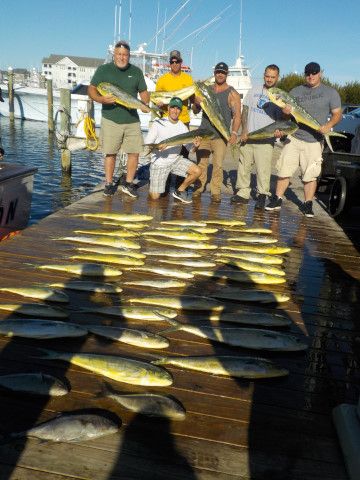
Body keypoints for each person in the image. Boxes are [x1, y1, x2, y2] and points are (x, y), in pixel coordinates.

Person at [266, 62, 342, 217]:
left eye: (314, 73)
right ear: (305, 74)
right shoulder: (295, 91)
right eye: (308, 73)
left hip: (314, 140)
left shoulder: (331, 92)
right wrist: (285, 111)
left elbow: (337, 114)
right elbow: (286, 116)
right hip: (294, 137)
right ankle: (277, 198)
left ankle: (308, 204)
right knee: (284, 171)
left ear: (320, 73)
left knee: (310, 175)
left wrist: (328, 125)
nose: (311, 76)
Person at [88, 40, 150, 198]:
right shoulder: (103, 70)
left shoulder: (136, 71)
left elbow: (144, 93)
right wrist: (101, 100)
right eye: (119, 54)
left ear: (129, 56)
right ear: (114, 55)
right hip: (111, 119)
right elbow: (92, 89)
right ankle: (109, 184)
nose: (122, 57)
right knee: (110, 153)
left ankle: (128, 183)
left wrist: (145, 102)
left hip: (132, 120)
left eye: (125, 55)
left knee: (134, 152)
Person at [231, 64, 283, 209]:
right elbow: (245, 110)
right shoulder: (253, 90)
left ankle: (262, 194)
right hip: (249, 137)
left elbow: (282, 119)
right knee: (244, 166)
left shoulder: (280, 96)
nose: (269, 79)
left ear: (277, 78)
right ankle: (243, 193)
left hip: (266, 139)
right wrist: (244, 130)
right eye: (267, 76)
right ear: (263, 75)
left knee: (263, 169)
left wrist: (280, 132)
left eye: (273, 77)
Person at [192, 62, 241, 203]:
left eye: (223, 72)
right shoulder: (205, 90)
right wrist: (196, 102)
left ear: (227, 74)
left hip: (220, 136)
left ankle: (215, 191)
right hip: (204, 133)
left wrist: (234, 133)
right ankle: (199, 187)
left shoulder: (232, 93)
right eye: (218, 71)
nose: (220, 74)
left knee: (218, 165)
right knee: (201, 163)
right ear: (214, 73)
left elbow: (237, 115)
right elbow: (195, 111)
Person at [144, 97, 202, 204]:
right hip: (159, 163)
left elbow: (190, 149)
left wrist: (196, 146)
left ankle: (180, 190)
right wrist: (157, 147)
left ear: (180, 111)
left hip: (175, 161)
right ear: (169, 108)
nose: (175, 111)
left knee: (197, 171)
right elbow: (148, 143)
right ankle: (154, 183)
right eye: (173, 108)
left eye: (178, 109)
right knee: (154, 197)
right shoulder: (158, 123)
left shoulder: (183, 127)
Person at [155, 50, 194, 127]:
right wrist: (158, 104)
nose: (174, 64)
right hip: (166, 119)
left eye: (177, 61)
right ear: (169, 63)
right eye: (172, 62)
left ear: (181, 62)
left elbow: (193, 99)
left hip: (183, 120)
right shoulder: (162, 79)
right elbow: (156, 100)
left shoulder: (188, 79)